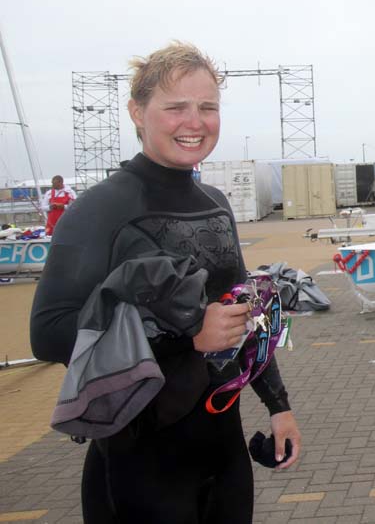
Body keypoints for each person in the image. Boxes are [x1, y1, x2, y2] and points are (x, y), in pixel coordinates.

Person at [30, 42, 301, 523]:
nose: (194, 122)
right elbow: (49, 332)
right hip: (140, 462)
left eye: (207, 107)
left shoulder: (215, 202)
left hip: (224, 453)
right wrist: (188, 331)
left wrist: (278, 406)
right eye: (175, 107)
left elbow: (248, 313)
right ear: (138, 112)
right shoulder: (101, 209)